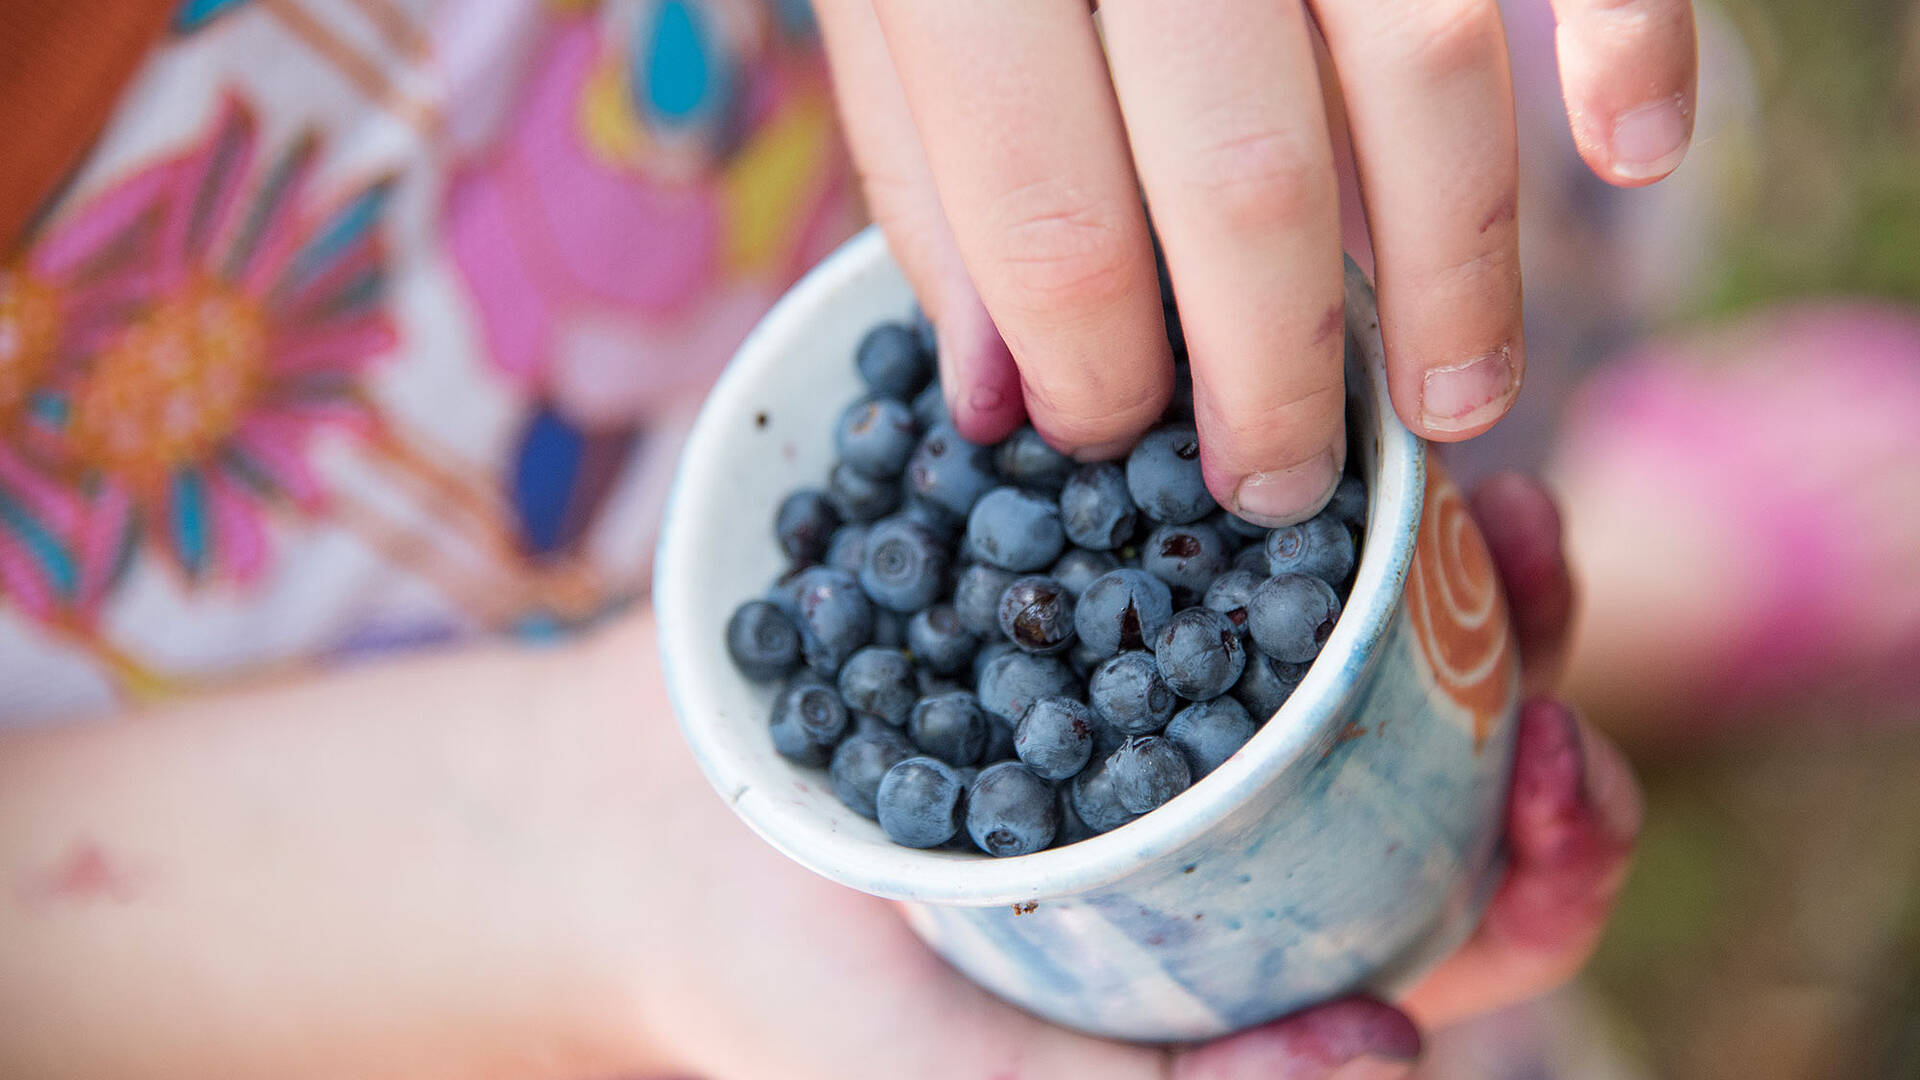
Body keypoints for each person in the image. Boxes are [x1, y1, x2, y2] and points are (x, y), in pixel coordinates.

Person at [0, 0, 1685, 1075]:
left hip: (891, 115)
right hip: (242, 839)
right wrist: (571, 857)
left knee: (1374, 356)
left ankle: (1667, 564)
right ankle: (1691, 578)